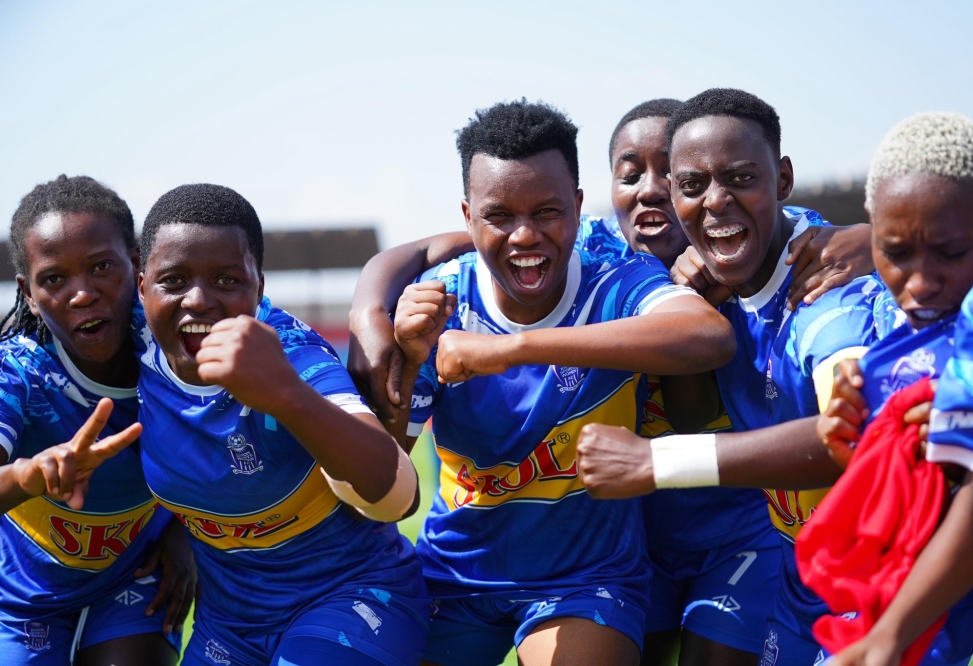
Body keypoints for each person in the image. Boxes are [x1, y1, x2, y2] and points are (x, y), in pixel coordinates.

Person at [349, 97, 873, 666]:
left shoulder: (785, 276)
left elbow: (714, 363)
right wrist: (371, 312)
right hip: (538, 556)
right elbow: (434, 251)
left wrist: (875, 237)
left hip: (713, 540)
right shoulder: (464, 292)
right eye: (632, 173)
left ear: (574, 207)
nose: (651, 190)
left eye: (671, 176)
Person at [384, 99, 737, 666]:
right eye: (500, 216)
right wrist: (404, 354)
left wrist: (511, 349)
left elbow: (707, 335)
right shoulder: (438, 304)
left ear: (576, 207)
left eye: (546, 212)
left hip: (585, 581)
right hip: (455, 575)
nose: (525, 236)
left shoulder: (618, 281)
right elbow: (383, 485)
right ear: (468, 215)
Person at [575, 88, 888, 664]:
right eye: (692, 186)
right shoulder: (709, 286)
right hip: (805, 580)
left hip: (893, 586)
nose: (716, 202)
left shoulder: (828, 298)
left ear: (783, 179)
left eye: (741, 178)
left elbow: (855, 439)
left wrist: (653, 463)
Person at [135, 183, 429, 666]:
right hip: (229, 626)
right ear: (141, 287)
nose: (198, 300)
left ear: (260, 287)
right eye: (174, 280)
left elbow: (399, 497)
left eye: (227, 281)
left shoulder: (296, 356)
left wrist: (286, 397)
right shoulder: (131, 343)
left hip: (350, 599)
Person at [812, 112, 973, 666]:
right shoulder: (897, 333)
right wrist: (860, 435)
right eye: (895, 253)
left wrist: (887, 639)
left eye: (950, 252)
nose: (920, 281)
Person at [0, 175, 194, 665]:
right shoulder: (17, 373)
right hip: (22, 599)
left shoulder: (175, 345)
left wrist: (188, 530)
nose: (82, 293)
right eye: (54, 279)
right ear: (28, 293)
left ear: (136, 264)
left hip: (133, 579)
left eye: (101, 267)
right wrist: (31, 474)